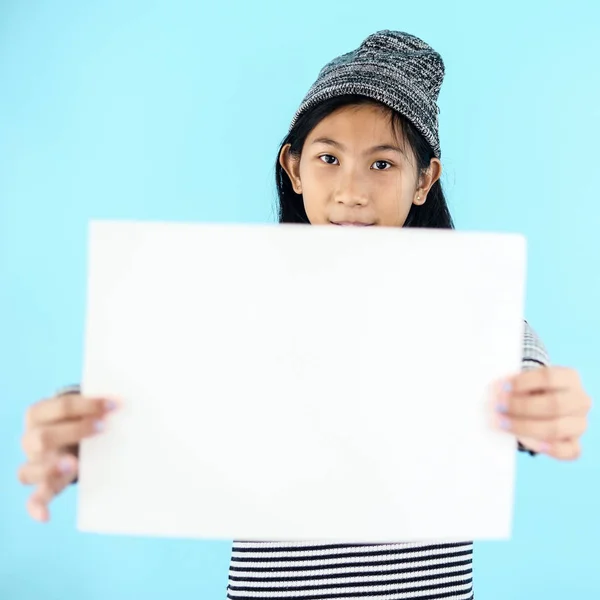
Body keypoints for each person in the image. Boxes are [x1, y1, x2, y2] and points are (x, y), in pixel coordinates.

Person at [18, 30, 591, 600]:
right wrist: (76, 427)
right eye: (327, 158)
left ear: (425, 180)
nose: (352, 191)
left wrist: (547, 406)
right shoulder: (237, 303)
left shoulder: (472, 310)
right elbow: (152, 382)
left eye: (383, 164)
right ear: (293, 168)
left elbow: (526, 381)